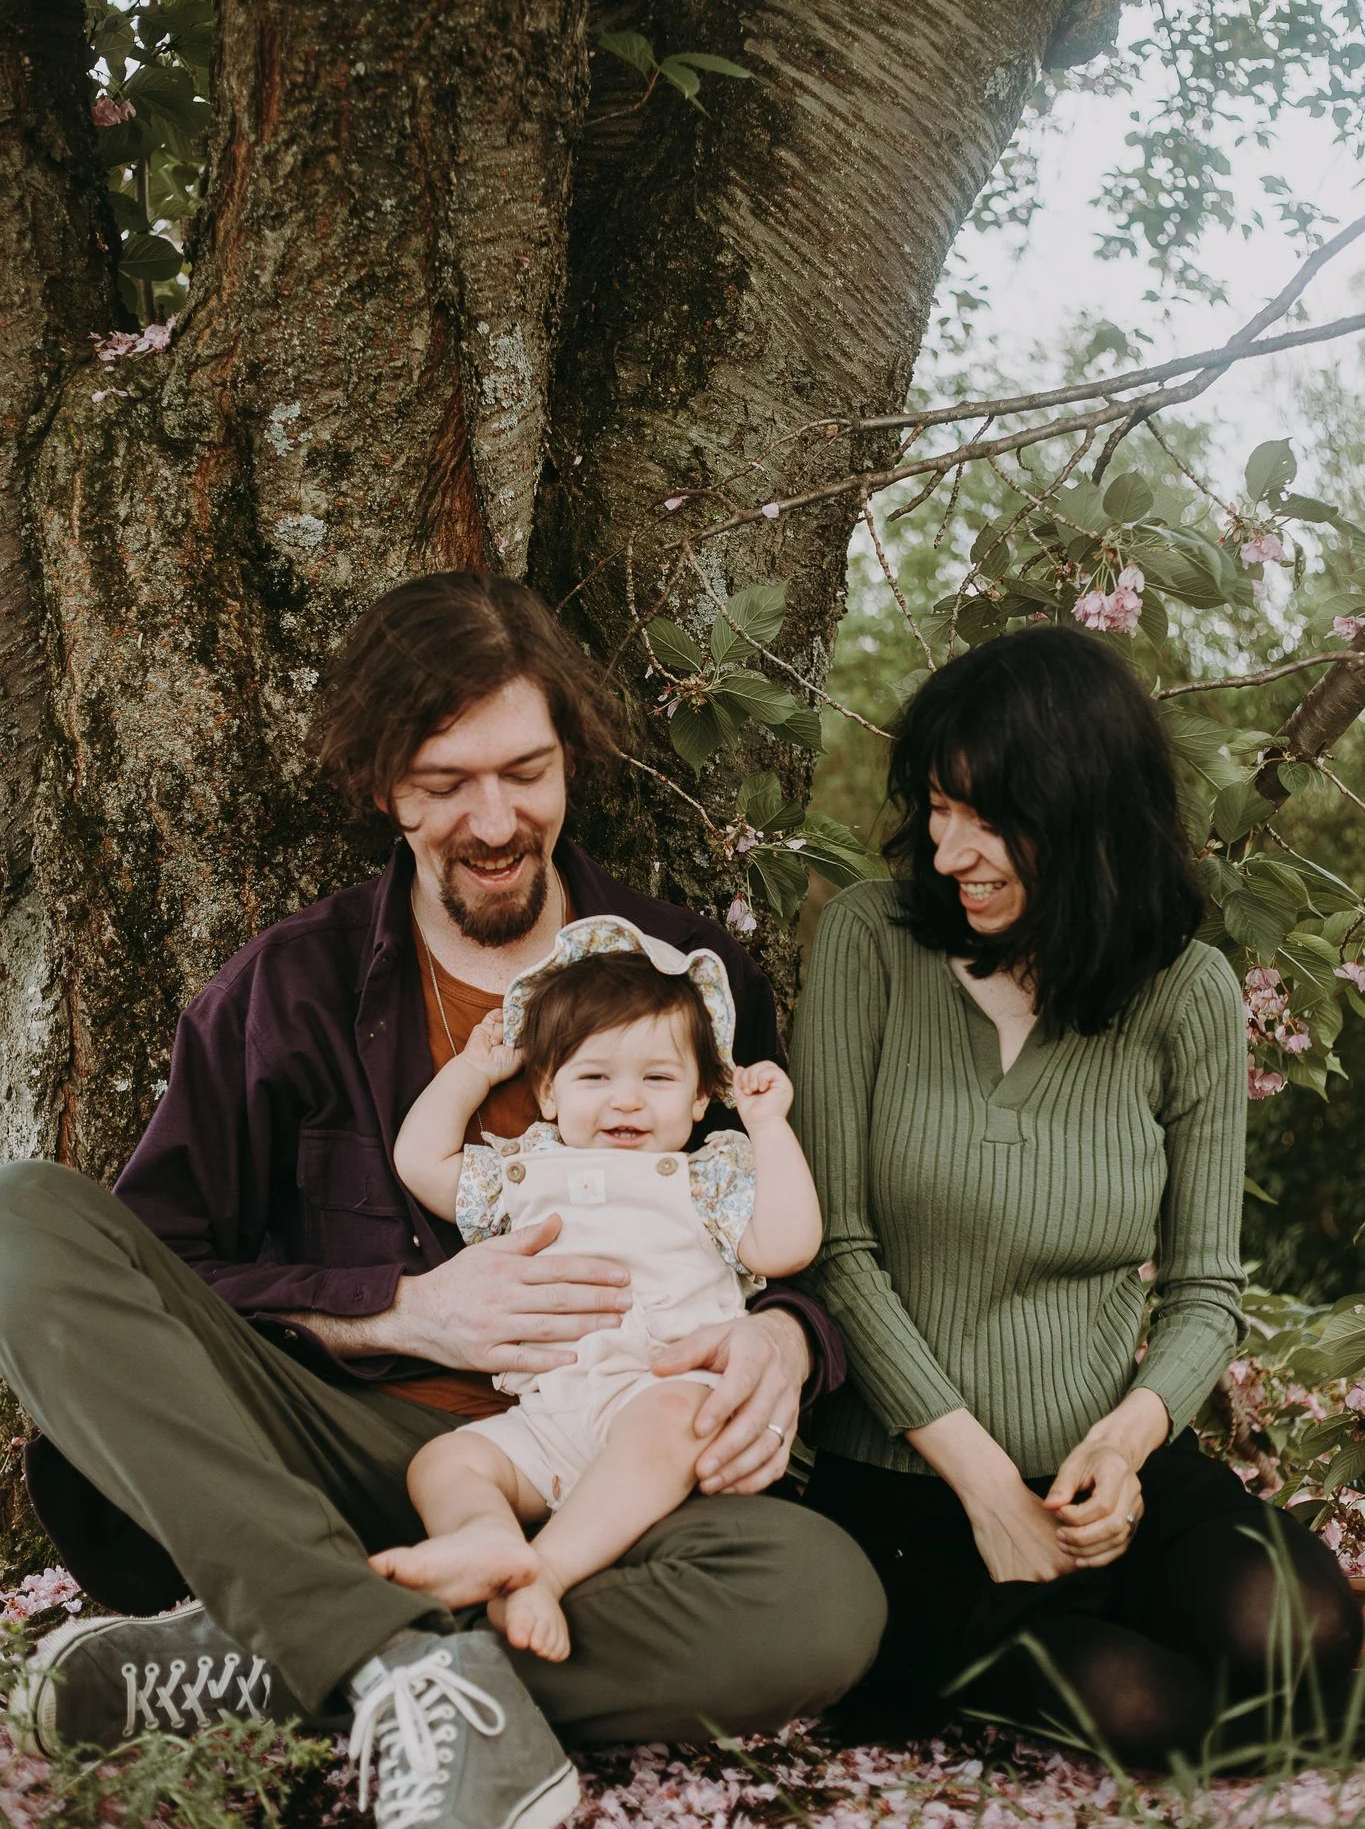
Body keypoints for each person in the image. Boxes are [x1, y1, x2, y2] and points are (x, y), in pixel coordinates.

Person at [0, 572, 884, 1829]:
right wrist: (395, 1312)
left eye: (525, 769)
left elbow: (771, 1228)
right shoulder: (286, 992)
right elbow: (159, 1269)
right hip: (334, 1460)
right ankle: (388, 1661)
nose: (493, 818)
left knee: (819, 1598)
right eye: (442, 780)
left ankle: (284, 1655)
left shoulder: (689, 971)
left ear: (569, 756)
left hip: (604, 1484)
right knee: (19, 1214)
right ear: (378, 783)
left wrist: (785, 1338)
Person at [792, 625, 1361, 1768]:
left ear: (1088, 813)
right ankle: (1033, 1650)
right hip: (914, 1491)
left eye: (989, 818)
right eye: (937, 810)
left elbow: (1206, 1290)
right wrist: (990, 1483)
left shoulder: (1187, 990)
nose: (950, 852)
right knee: (1153, 1716)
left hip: (1110, 1478)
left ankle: (1131, 1604)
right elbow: (836, 1248)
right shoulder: (869, 943)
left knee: (1303, 1632)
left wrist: (1132, 1432)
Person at [369, 920, 822, 1662]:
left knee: (685, 1410)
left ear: (702, 1097)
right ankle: (483, 1537)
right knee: (444, 1463)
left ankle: (545, 1571)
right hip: (552, 1416)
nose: (625, 1102)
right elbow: (421, 1161)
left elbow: (788, 1245)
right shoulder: (525, 1173)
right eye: (593, 1076)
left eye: (656, 1078)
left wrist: (769, 1127)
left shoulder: (706, 1179)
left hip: (659, 1397)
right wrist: (472, 1074)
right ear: (546, 1092)